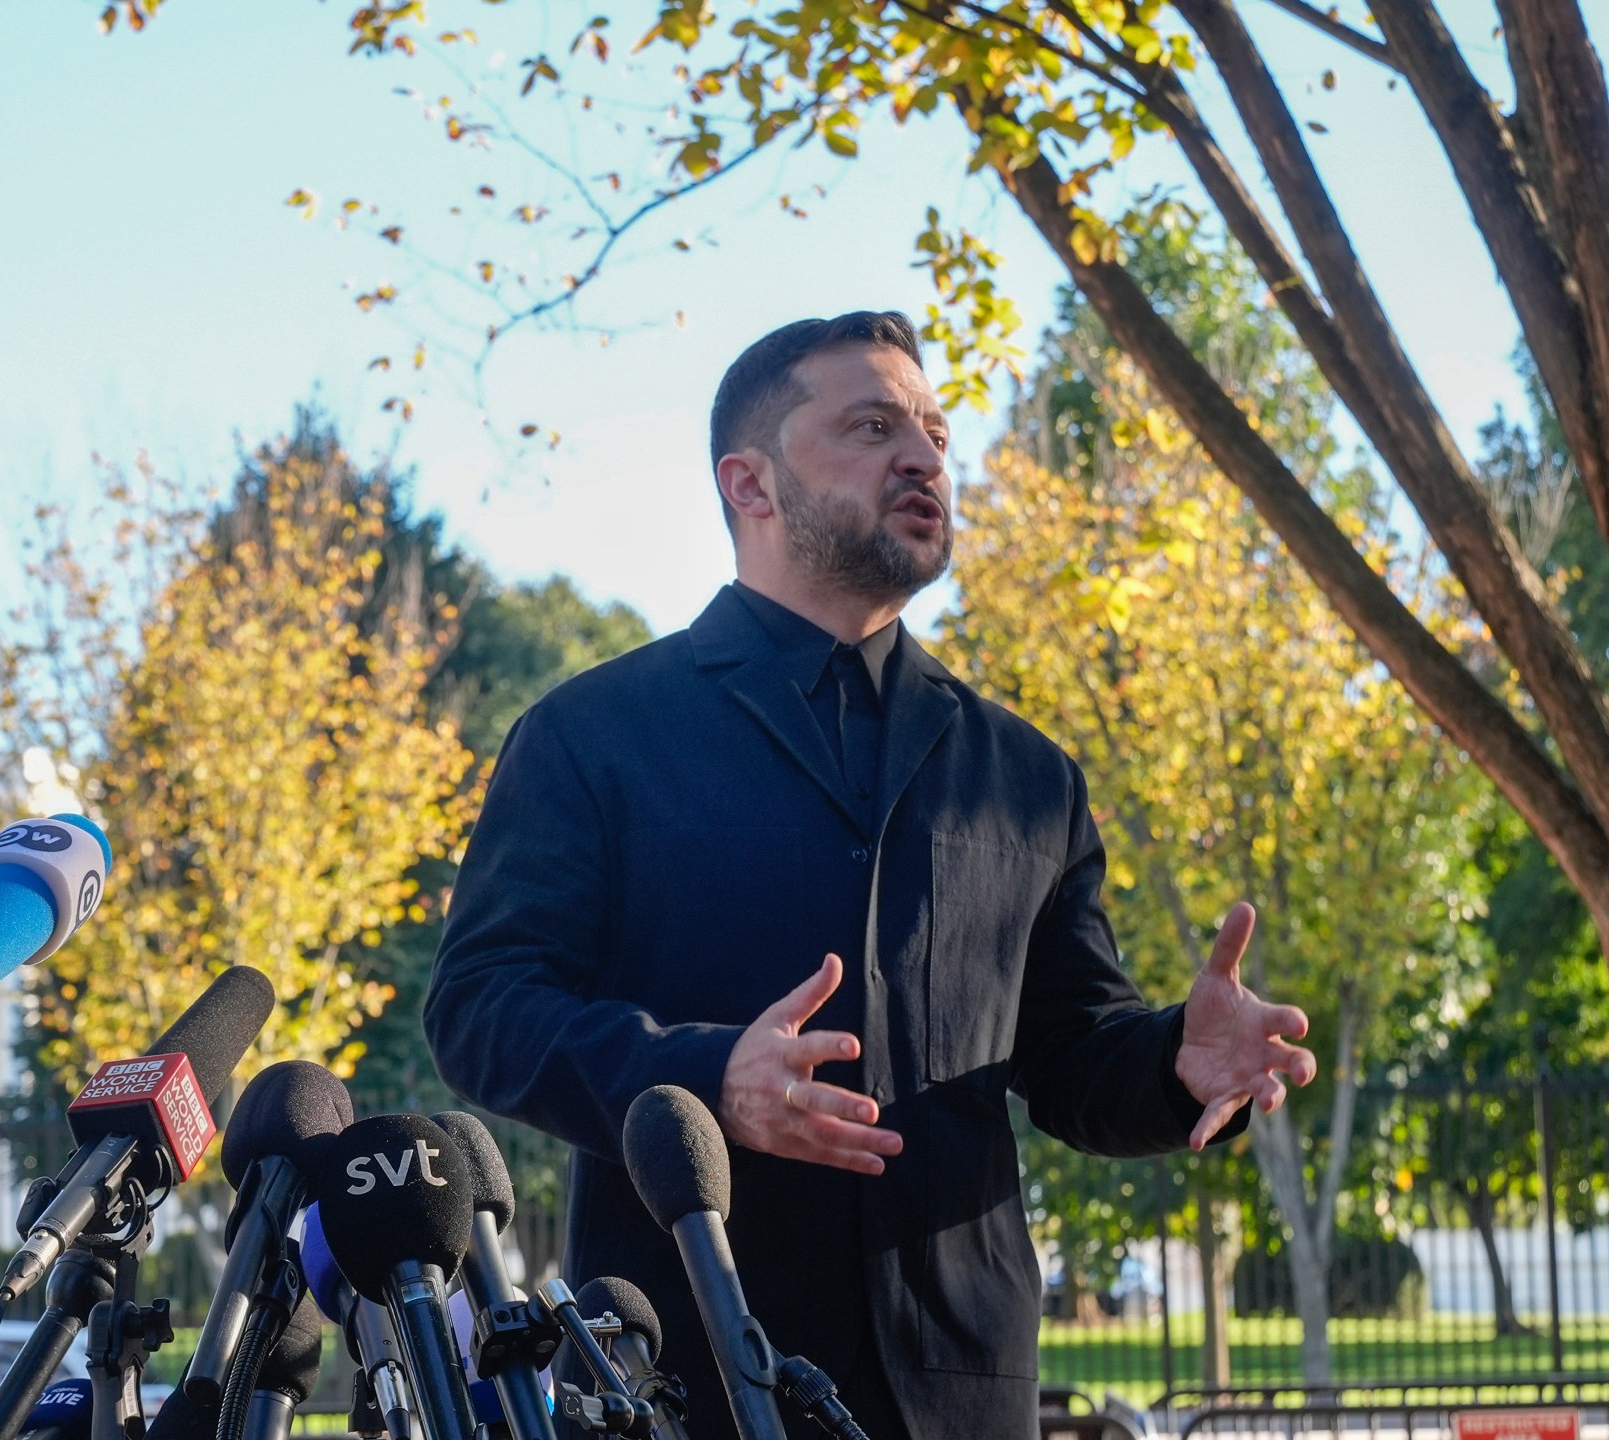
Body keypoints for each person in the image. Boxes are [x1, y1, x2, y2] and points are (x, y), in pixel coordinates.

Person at [423, 312, 1317, 1440]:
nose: (924, 457)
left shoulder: (1027, 774)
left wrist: (1177, 1065)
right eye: (872, 427)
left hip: (964, 1393)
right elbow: (481, 1009)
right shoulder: (590, 735)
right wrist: (705, 1078)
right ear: (749, 483)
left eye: (935, 433)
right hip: (681, 1379)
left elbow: (1069, 1054)